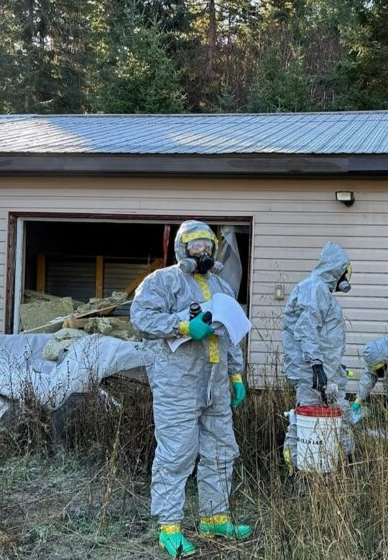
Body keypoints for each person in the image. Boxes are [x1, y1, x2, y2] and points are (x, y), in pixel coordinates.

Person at [131, 220, 251, 557]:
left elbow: (231, 334)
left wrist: (237, 376)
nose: (203, 252)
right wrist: (183, 325)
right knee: (177, 454)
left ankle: (214, 517)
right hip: (178, 384)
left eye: (208, 246)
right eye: (196, 246)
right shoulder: (163, 281)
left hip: (215, 384)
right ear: (183, 248)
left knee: (221, 449)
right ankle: (169, 527)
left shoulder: (222, 287)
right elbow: (141, 318)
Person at [281, 241, 353, 470]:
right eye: (345, 273)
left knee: (337, 418)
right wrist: (316, 365)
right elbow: (306, 328)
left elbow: (321, 335)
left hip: (324, 372)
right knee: (304, 422)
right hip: (312, 374)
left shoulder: (319, 291)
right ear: (338, 271)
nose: (346, 279)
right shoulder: (314, 288)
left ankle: (334, 467)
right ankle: (300, 472)